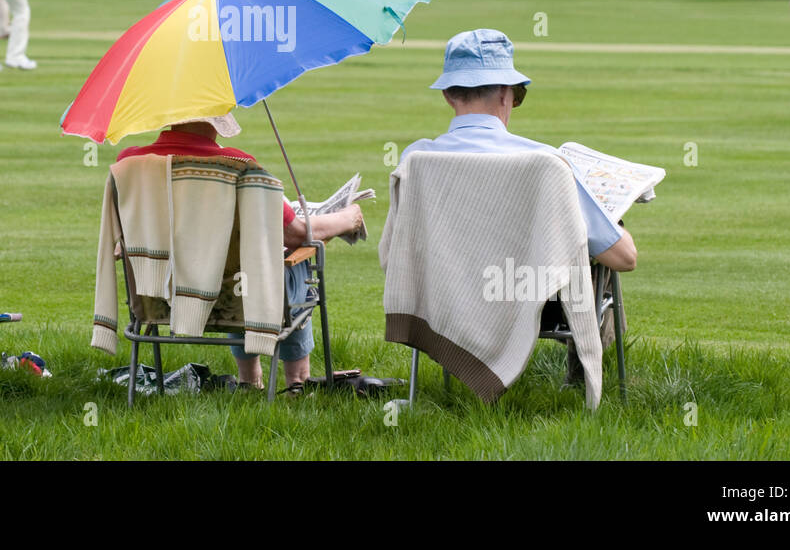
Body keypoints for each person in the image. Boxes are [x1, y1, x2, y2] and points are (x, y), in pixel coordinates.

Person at [118, 114, 364, 391]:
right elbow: (295, 235)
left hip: (159, 295)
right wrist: (348, 218)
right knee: (285, 264)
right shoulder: (239, 168)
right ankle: (296, 381)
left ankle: (249, 380)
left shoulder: (129, 164)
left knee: (232, 263)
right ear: (217, 122)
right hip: (233, 297)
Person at [401, 29, 637, 273]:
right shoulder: (546, 162)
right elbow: (624, 258)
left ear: (448, 95)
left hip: (438, 307)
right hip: (529, 305)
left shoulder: (414, 159)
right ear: (506, 92)